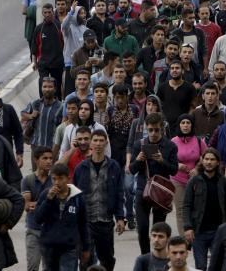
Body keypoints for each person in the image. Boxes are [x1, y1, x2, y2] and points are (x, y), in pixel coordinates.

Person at [73, 130, 126, 271]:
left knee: (107, 259)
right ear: (90, 143)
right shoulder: (81, 168)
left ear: (106, 143)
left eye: (101, 141)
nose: (98, 144)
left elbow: (120, 193)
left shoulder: (114, 167)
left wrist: (120, 217)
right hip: (86, 221)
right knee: (85, 258)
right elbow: (75, 196)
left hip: (105, 220)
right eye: (95, 140)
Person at [129, 112, 180, 253]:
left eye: (156, 130)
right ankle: (145, 257)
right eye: (150, 130)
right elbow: (132, 170)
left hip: (161, 191)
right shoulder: (139, 144)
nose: (153, 133)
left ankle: (159, 257)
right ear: (146, 129)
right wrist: (139, 160)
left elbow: (174, 170)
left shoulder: (170, 146)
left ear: (162, 129)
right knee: (143, 228)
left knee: (159, 229)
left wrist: (161, 161)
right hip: (142, 189)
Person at [35, 163, 91, 271]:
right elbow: (38, 218)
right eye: (54, 179)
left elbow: (83, 224)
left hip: (69, 248)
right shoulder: (46, 194)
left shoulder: (77, 198)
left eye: (61, 179)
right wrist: (48, 200)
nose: (57, 182)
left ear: (68, 178)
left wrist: (86, 248)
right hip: (49, 247)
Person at [182, 147, 226, 270]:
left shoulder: (224, 182)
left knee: (217, 266)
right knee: (201, 266)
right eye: (206, 159)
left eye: (212, 159)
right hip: (199, 232)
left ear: (217, 162)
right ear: (202, 161)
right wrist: (188, 227)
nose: (209, 162)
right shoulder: (194, 181)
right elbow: (186, 205)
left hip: (218, 231)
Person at [170, 114, 206, 232]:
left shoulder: (199, 141)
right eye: (183, 123)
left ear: (192, 125)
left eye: (188, 123)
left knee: (195, 209)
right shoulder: (173, 141)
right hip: (177, 179)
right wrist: (177, 165)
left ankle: (195, 235)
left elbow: (208, 157)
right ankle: (183, 240)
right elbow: (167, 159)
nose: (185, 125)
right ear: (179, 125)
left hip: (195, 180)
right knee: (180, 210)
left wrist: (197, 168)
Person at [21, 146, 54, 271]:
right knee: (33, 266)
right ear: (36, 160)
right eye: (45, 158)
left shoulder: (54, 180)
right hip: (33, 230)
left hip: (51, 230)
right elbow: (27, 206)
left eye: (51, 158)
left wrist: (37, 204)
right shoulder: (28, 180)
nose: (49, 161)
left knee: (50, 267)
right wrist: (47, 202)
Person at [32, 3, 66, 97]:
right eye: (45, 12)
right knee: (42, 82)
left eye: (49, 12)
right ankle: (42, 102)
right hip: (43, 62)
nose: (47, 14)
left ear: (53, 12)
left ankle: (58, 103)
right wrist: (35, 62)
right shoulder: (39, 28)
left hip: (57, 62)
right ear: (42, 13)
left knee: (57, 85)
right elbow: (34, 47)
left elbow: (65, 44)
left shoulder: (59, 26)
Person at [21, 77, 64, 149]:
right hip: (36, 145)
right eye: (44, 86)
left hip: (52, 147)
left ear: (55, 89)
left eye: (50, 87)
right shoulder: (35, 103)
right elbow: (23, 114)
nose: (47, 89)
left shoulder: (61, 107)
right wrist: (31, 116)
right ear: (41, 88)